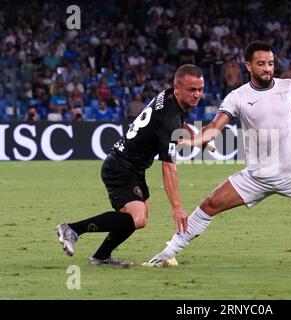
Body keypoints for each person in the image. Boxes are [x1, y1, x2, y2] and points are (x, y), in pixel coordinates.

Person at [143, 41, 291, 268]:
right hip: (257, 176)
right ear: (248, 66)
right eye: (261, 64)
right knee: (210, 204)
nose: (267, 68)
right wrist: (196, 140)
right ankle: (168, 253)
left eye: (271, 63)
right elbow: (215, 126)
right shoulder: (237, 97)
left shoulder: (289, 86)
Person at [56, 64, 205, 266]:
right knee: (137, 218)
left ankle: (101, 257)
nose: (197, 95)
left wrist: (195, 136)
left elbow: (178, 120)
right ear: (177, 87)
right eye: (192, 90)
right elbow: (168, 166)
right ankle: (72, 229)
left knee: (136, 216)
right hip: (121, 167)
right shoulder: (168, 120)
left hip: (133, 167)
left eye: (200, 89)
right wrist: (177, 206)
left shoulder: (169, 96)